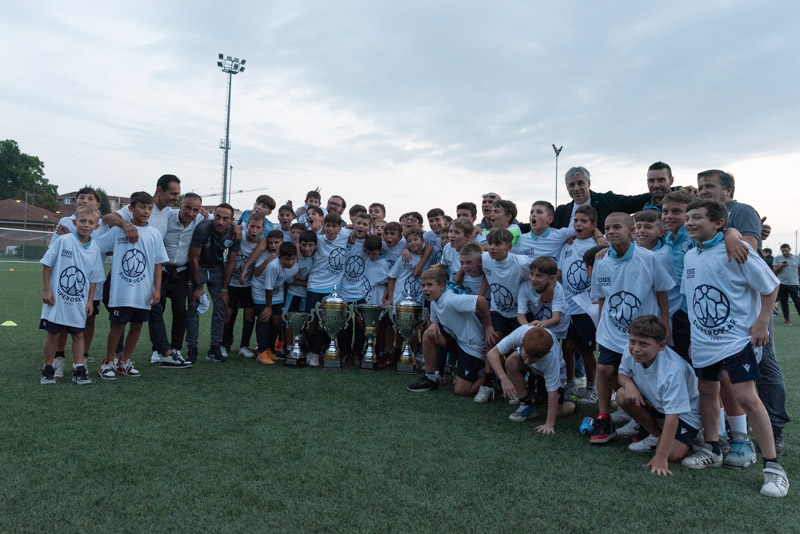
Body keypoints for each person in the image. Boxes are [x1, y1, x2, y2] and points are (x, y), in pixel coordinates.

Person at [679, 199, 788, 497]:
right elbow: (694, 301)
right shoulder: (690, 256)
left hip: (736, 340)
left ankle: (773, 467)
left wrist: (762, 322)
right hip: (704, 342)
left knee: (747, 398)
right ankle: (713, 449)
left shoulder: (737, 249)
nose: (689, 222)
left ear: (719, 223)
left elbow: (771, 285)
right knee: (707, 391)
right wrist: (694, 338)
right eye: (688, 217)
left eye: (697, 217)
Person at [697, 169, 789, 454]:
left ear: (728, 190)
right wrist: (725, 233)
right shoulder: (702, 219)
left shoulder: (742, 211)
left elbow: (746, 250)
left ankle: (774, 427)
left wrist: (729, 233)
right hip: (717, 313)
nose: (703, 191)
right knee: (714, 381)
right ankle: (724, 432)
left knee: (765, 365)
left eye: (709, 186)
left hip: (747, 310)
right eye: (700, 187)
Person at [589, 212, 674, 444]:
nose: (611, 232)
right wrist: (600, 325)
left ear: (631, 231)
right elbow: (602, 297)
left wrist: (664, 323)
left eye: (617, 227)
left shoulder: (648, 258)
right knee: (604, 370)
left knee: (640, 378)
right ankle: (604, 417)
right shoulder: (601, 261)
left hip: (642, 332)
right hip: (611, 329)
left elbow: (662, 291)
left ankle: (644, 422)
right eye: (607, 227)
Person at [96, 192, 169, 379]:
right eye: (142, 207)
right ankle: (108, 362)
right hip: (120, 291)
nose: (146, 211)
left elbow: (158, 263)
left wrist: (157, 289)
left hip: (143, 292)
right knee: (118, 326)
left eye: (150, 208)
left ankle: (125, 361)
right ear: (131, 208)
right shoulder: (118, 231)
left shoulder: (154, 234)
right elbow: (98, 247)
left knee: (137, 326)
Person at [615, 316, 701, 473]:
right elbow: (622, 374)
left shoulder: (673, 370)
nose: (636, 349)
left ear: (661, 345)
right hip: (659, 404)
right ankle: (656, 434)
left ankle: (696, 433)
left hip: (686, 413)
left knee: (673, 454)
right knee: (622, 394)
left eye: (644, 344)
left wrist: (661, 456)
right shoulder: (630, 351)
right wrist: (629, 385)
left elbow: (673, 416)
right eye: (633, 341)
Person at [39, 205, 106, 385]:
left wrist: (90, 301)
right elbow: (46, 264)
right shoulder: (64, 241)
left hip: (79, 301)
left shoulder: (95, 249)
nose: (86, 225)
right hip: (57, 299)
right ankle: (47, 369)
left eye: (90, 222)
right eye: (82, 221)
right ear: (75, 222)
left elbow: (93, 279)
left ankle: (79, 369)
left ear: (96, 226)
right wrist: (46, 290)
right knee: (53, 334)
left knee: (78, 334)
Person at [465, 228, 531, 404]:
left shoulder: (522, 263)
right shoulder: (486, 259)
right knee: (492, 341)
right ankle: (487, 385)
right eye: (490, 244)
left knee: (517, 349)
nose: (492, 247)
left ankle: (518, 386)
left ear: (509, 247)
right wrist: (480, 296)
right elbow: (488, 276)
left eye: (497, 244)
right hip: (498, 309)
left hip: (520, 312)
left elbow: (540, 275)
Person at [406, 267, 496, 396]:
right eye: (423, 285)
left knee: (461, 390)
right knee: (428, 335)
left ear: (442, 286)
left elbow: (481, 300)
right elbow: (435, 321)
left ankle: (491, 377)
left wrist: (488, 327)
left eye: (430, 285)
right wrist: (433, 324)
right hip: (458, 342)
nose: (425, 289)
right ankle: (430, 379)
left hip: (472, 347)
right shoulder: (434, 300)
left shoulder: (451, 300)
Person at [148, 193, 204, 368]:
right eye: (188, 207)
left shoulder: (200, 219)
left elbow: (219, 218)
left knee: (180, 310)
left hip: (181, 271)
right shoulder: (167, 217)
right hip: (161, 270)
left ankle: (176, 348)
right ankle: (158, 349)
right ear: (180, 205)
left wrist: (234, 226)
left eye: (195, 209)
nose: (191, 213)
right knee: (157, 309)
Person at [487, 326, 575, 434]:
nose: (526, 361)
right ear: (523, 342)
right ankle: (525, 404)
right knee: (511, 362)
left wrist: (549, 424)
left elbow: (553, 392)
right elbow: (492, 353)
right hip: (536, 368)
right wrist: (504, 379)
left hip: (550, 373)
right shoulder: (521, 333)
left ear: (545, 354)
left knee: (557, 412)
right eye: (526, 356)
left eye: (532, 359)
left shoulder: (550, 360)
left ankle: (572, 401)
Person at [186, 203, 240, 363]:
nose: (220, 222)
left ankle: (215, 347)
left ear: (231, 220)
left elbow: (231, 262)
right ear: (214, 215)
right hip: (200, 266)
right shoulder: (203, 229)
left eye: (225, 219)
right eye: (218, 217)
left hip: (217, 268)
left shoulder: (234, 234)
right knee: (193, 305)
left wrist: (225, 289)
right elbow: (194, 258)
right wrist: (197, 287)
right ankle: (192, 348)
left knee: (221, 305)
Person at [558, 206, 600, 403]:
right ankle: (570, 383)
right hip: (568, 306)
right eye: (576, 221)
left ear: (594, 225)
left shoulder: (599, 245)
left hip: (586, 308)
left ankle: (592, 387)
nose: (578, 224)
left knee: (587, 349)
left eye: (584, 221)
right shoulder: (567, 245)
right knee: (567, 347)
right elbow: (561, 272)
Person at [305, 212, 350, 366]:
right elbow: (301, 243)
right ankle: (310, 351)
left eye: (334, 226)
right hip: (314, 285)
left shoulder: (345, 237)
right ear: (323, 226)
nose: (331, 229)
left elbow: (361, 231)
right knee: (312, 321)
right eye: (328, 226)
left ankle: (317, 353)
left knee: (325, 323)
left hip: (332, 289)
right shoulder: (318, 239)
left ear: (340, 228)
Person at [553, 166, 652, 230]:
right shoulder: (561, 212)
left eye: (580, 183)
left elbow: (636, 201)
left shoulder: (607, 201)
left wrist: (658, 191)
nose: (576, 188)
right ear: (567, 187)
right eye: (572, 185)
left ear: (589, 183)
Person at [222, 213, 264, 359]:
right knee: (228, 313)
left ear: (262, 230)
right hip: (231, 282)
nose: (254, 230)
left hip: (248, 284)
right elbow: (229, 223)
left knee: (249, 314)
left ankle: (244, 346)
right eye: (252, 226)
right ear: (247, 226)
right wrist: (234, 225)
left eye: (258, 227)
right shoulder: (238, 236)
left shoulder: (262, 243)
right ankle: (225, 344)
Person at [252, 241, 298, 364]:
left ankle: (269, 349)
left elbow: (288, 279)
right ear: (280, 257)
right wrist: (268, 307)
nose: (290, 262)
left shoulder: (294, 267)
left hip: (277, 293)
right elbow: (268, 287)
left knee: (277, 320)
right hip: (262, 293)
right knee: (264, 317)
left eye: (293, 259)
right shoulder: (273, 266)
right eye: (287, 259)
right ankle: (261, 352)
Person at [517, 257, 570, 339]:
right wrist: (529, 328)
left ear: (551, 278)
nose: (533, 279)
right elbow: (520, 316)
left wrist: (542, 324)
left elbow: (556, 319)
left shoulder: (557, 289)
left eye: (539, 276)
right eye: (531, 274)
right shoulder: (524, 287)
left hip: (558, 326)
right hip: (539, 323)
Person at [438, 218, 487, 296]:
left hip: (475, 293)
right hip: (456, 292)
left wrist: (479, 297)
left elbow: (487, 275)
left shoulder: (475, 252)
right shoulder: (447, 248)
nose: (451, 235)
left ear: (467, 236)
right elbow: (443, 265)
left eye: (457, 232)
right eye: (450, 231)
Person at [773, 244, 800, 326]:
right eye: (783, 251)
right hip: (782, 283)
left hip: (794, 283)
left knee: (797, 301)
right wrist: (781, 267)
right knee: (784, 302)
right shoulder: (778, 258)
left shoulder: (797, 258)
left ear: (790, 249)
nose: (784, 252)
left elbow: (799, 270)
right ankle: (787, 319)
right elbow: (775, 271)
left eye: (786, 250)